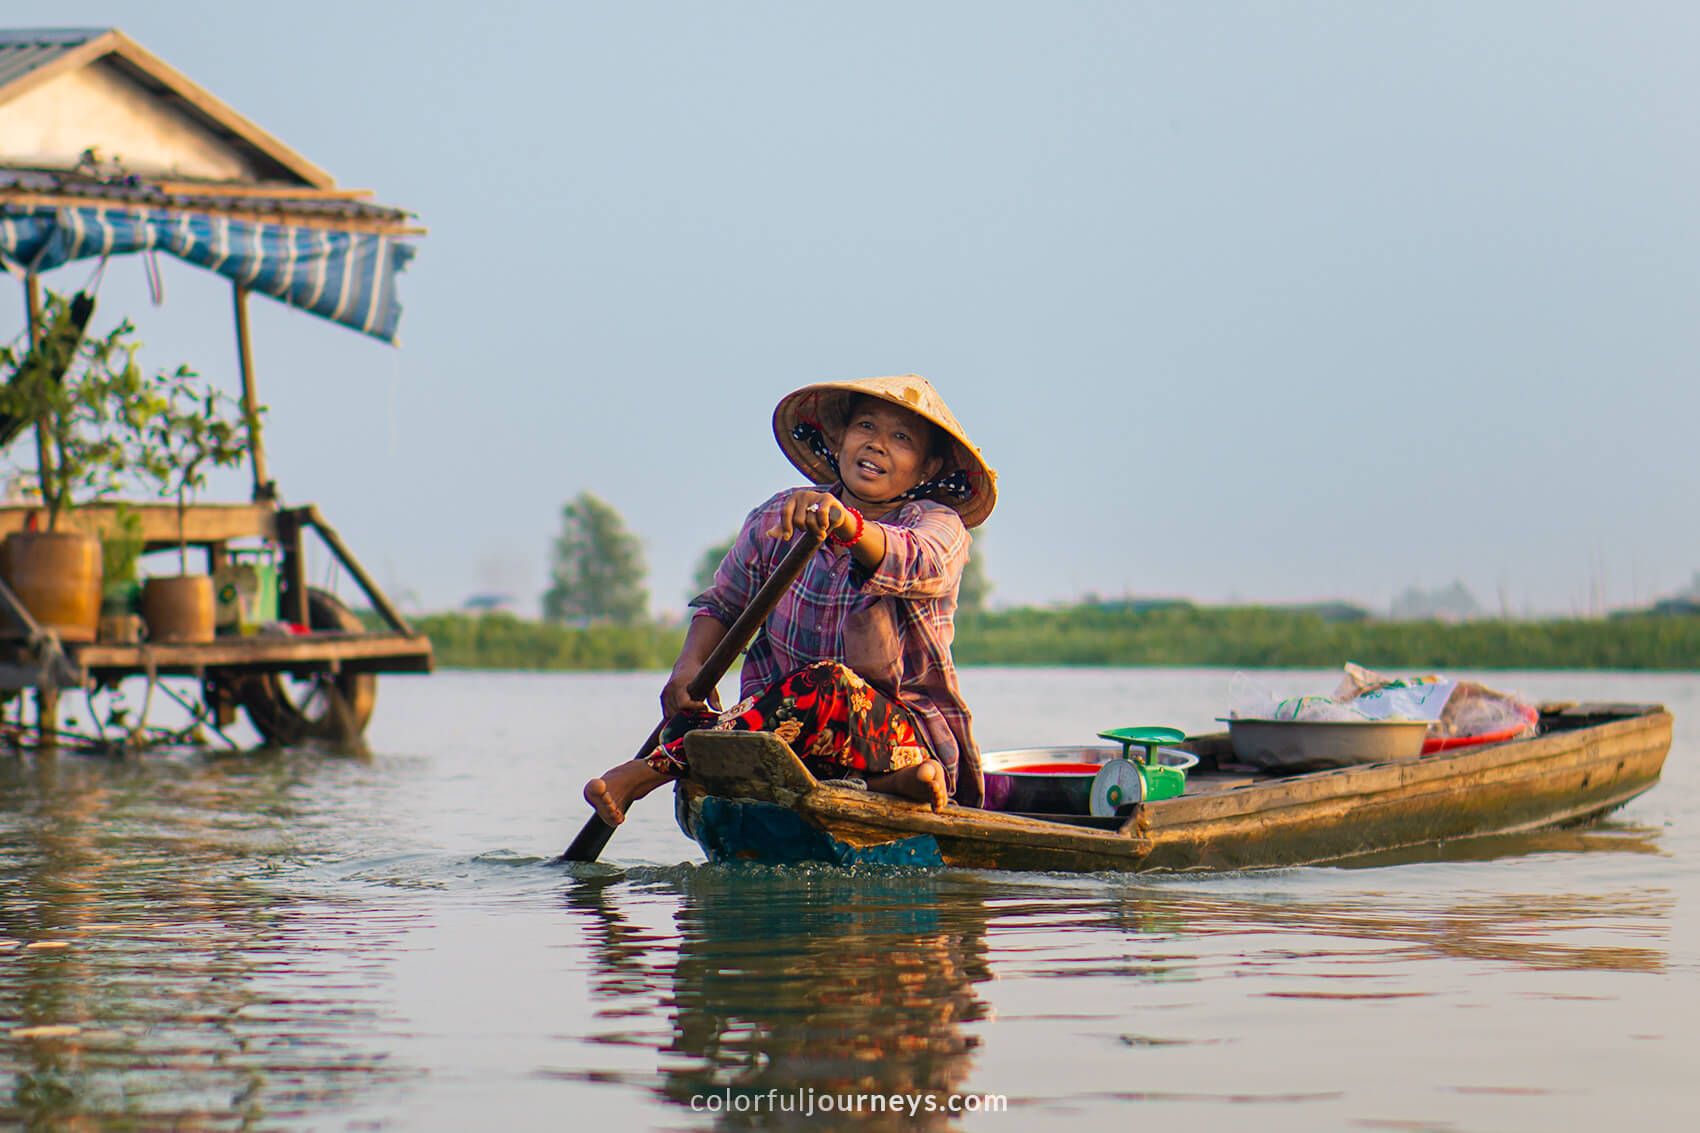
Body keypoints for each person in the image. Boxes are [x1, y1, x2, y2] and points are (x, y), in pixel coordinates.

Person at [584, 373, 997, 827]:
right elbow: (723, 605)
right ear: (839, 439)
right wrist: (688, 668)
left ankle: (647, 773)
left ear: (927, 469)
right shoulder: (779, 516)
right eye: (866, 428)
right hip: (783, 739)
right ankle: (889, 788)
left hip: (896, 736)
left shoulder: (938, 525)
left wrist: (849, 528)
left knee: (827, 684)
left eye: (901, 438)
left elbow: (919, 560)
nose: (878, 445)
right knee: (699, 717)